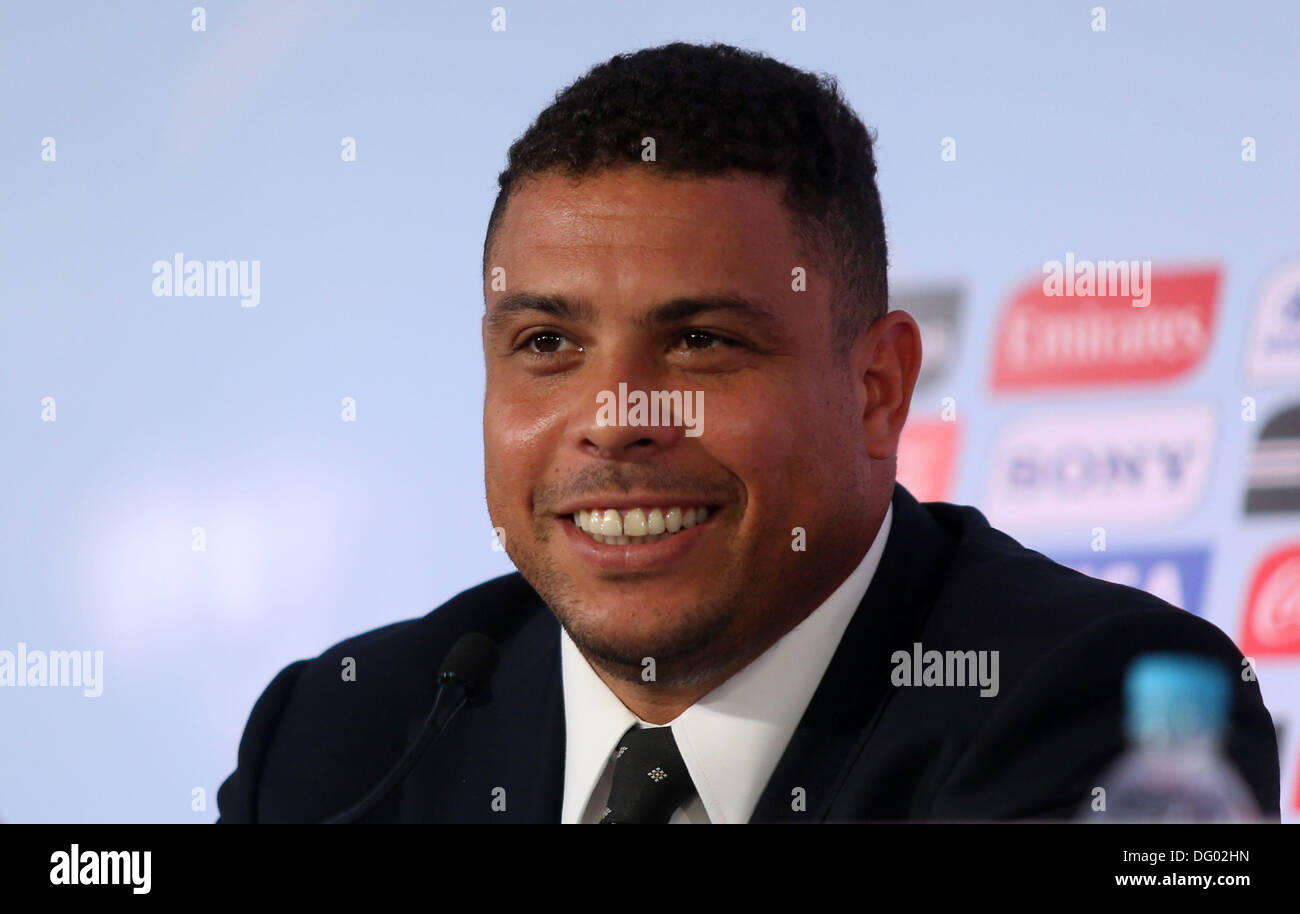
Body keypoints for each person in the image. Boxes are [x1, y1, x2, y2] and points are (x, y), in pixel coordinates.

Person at [217, 42, 1279, 823]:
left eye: (699, 343)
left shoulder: (1097, 707)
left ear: (876, 386)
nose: (615, 419)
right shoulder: (344, 735)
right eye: (546, 341)